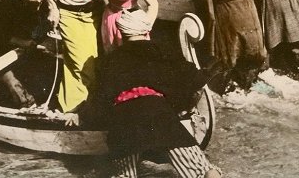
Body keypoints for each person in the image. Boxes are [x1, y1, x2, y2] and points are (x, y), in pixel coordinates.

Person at [71, 9, 222, 178]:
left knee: (125, 175)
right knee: (204, 171)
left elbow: (101, 99)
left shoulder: (109, 61)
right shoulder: (160, 50)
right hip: (158, 115)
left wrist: (82, 115)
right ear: (147, 31)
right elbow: (191, 78)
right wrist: (210, 68)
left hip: (124, 122)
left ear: (121, 32)